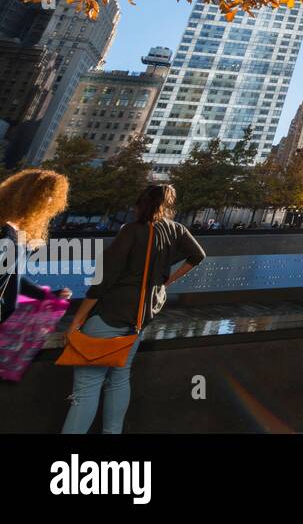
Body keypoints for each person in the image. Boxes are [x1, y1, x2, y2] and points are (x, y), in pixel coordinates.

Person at [62, 184, 205, 433]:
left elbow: (103, 281)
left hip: (109, 316)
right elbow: (198, 255)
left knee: (86, 388)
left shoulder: (132, 230)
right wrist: (167, 281)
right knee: (118, 380)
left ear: (140, 205)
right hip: (138, 319)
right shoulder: (176, 230)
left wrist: (77, 320)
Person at [1, 170, 73, 324]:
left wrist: (48, 295)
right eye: (47, 196)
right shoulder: (5, 233)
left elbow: (13, 278)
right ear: (27, 196)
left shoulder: (20, 234)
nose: (49, 203)